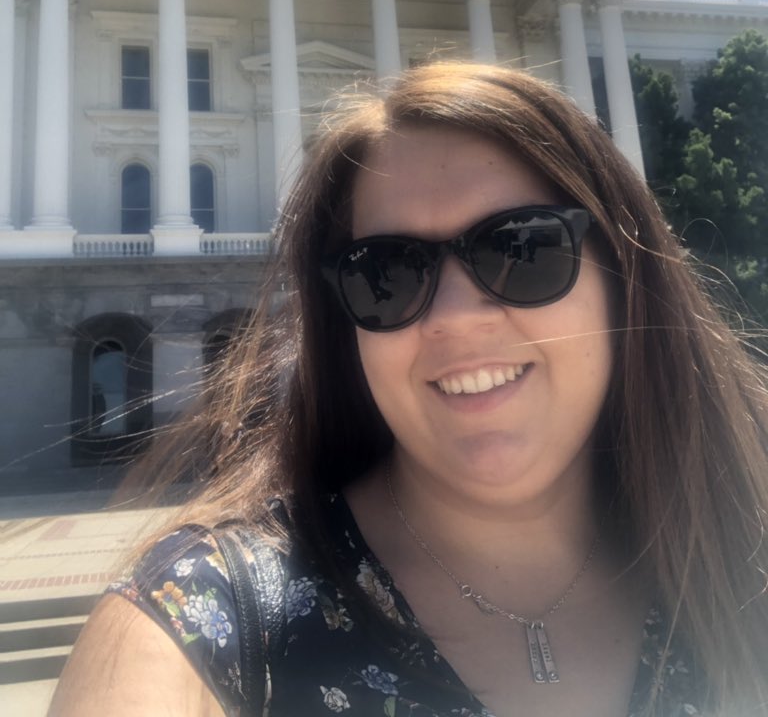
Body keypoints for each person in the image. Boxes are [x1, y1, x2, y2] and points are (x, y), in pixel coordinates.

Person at [50, 62, 768, 716]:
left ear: (624, 274)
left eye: (523, 246)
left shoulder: (743, 551)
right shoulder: (211, 618)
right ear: (347, 327)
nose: (455, 319)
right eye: (384, 274)